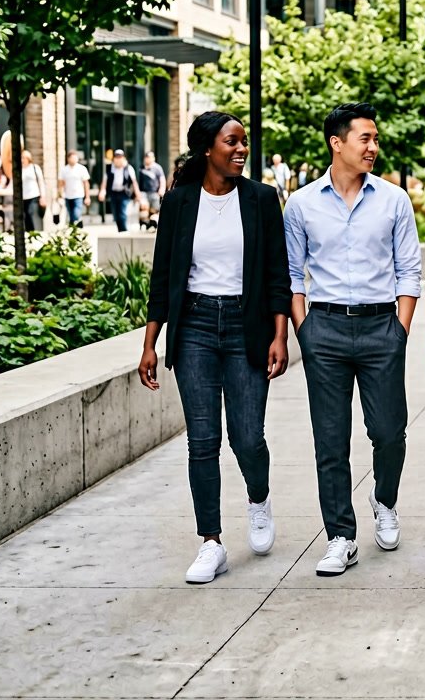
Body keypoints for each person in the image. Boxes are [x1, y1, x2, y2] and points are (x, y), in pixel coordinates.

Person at [137, 111, 292, 584]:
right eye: (232, 142)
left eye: (243, 141)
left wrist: (280, 335)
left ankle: (259, 499)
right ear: (208, 149)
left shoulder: (262, 199)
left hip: (247, 326)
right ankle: (211, 542)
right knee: (202, 441)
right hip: (195, 327)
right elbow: (163, 276)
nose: (241, 149)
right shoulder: (179, 202)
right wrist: (150, 343)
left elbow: (277, 275)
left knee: (247, 437)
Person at [282, 102, 421, 578]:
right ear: (336, 143)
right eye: (365, 138)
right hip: (324, 330)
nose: (373, 147)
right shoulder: (301, 204)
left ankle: (385, 499)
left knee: (389, 432)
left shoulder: (393, 200)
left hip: (382, 327)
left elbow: (409, 270)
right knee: (330, 439)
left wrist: (400, 329)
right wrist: (304, 329)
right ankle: (340, 536)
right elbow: (292, 275)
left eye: (375, 139)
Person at [99, 149, 139, 232]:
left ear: (124, 158)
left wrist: (137, 194)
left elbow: (134, 182)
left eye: (120, 157)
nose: (118, 159)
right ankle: (120, 229)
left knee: (122, 212)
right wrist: (102, 192)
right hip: (113, 193)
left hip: (124, 193)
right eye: (116, 157)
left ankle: (123, 230)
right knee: (115, 214)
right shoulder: (110, 168)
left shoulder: (128, 168)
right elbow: (104, 181)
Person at [59, 151, 91, 227]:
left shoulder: (82, 169)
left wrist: (87, 197)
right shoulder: (64, 170)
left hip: (78, 195)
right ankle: (74, 227)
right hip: (67, 196)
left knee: (76, 214)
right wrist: (60, 194)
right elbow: (61, 184)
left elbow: (86, 183)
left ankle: (75, 224)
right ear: (68, 159)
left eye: (75, 158)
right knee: (71, 214)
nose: (73, 160)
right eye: (72, 158)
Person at [18, 150, 47, 232]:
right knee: (26, 216)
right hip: (23, 197)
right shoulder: (19, 169)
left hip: (34, 195)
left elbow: (41, 182)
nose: (22, 160)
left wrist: (43, 196)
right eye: (21, 158)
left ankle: (35, 231)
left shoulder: (34, 168)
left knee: (31, 213)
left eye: (24, 158)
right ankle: (29, 232)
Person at [139, 152, 167, 217]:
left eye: (149, 157)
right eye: (146, 157)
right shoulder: (141, 168)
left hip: (154, 193)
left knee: (154, 211)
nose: (148, 159)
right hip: (143, 193)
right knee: (143, 212)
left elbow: (162, 179)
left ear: (153, 158)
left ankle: (152, 221)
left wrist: (162, 189)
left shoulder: (157, 168)